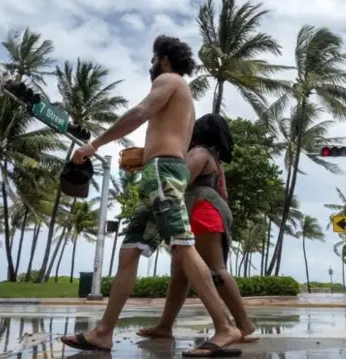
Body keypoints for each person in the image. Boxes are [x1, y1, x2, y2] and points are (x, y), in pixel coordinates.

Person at [60, 35, 242, 357]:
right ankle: (103, 332)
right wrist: (144, 156)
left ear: (165, 60)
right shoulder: (182, 98)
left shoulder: (170, 80)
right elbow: (168, 140)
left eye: (154, 58)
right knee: (129, 253)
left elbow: (139, 111)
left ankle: (225, 327)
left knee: (183, 246)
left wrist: (95, 145)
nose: (152, 64)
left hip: (162, 173)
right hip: (157, 173)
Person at [136, 113, 257, 343]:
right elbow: (224, 195)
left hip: (202, 213)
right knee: (180, 275)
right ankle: (165, 325)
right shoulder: (215, 161)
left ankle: (244, 324)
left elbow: (178, 180)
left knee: (215, 270)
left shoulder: (199, 153)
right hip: (207, 213)